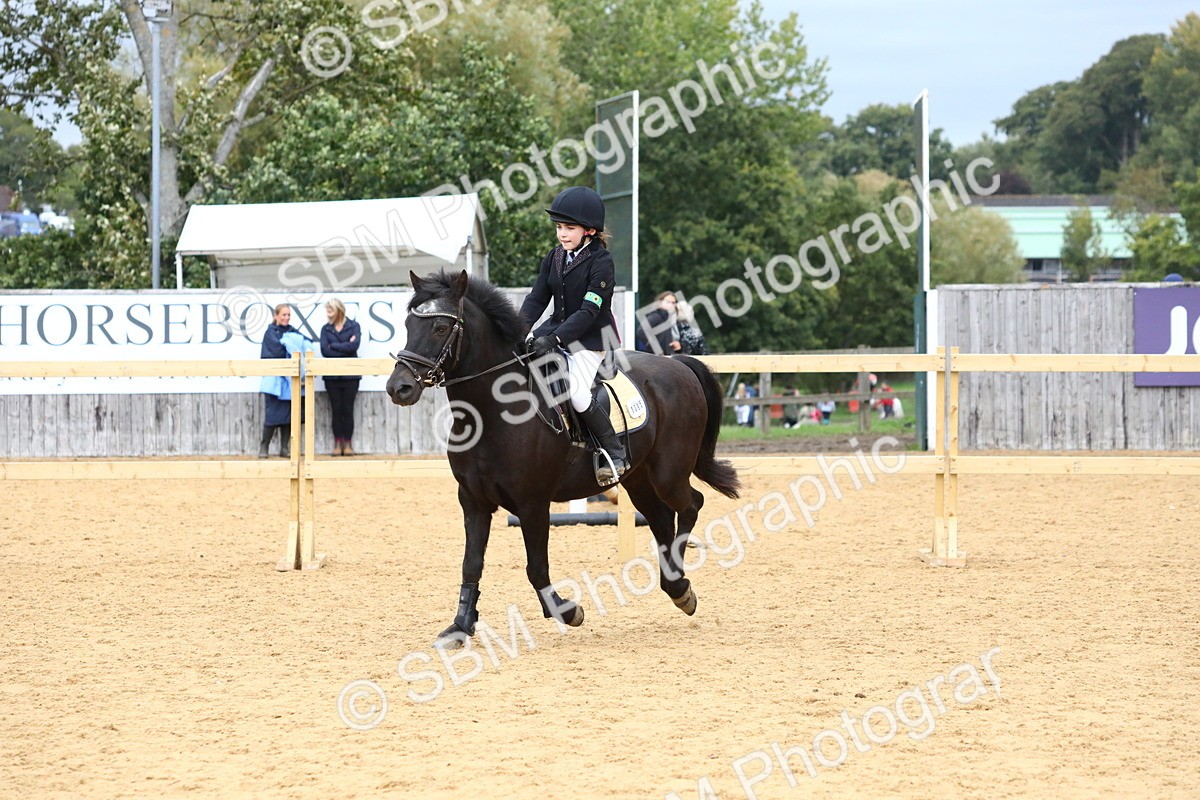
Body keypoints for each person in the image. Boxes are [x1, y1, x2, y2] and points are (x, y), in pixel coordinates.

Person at [520, 186, 628, 482]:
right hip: (557, 329)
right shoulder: (554, 257)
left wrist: (554, 339)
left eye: (569, 228)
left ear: (589, 231)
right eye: (559, 227)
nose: (562, 234)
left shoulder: (601, 262)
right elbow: (536, 300)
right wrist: (516, 331)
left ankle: (614, 452)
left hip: (591, 340)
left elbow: (588, 312)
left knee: (577, 393)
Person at [259, 304, 315, 458]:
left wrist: (293, 343)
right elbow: (275, 350)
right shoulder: (270, 333)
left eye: (288, 315)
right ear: (276, 315)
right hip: (275, 381)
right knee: (272, 415)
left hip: (291, 382)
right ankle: (264, 446)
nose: (286, 317)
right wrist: (289, 343)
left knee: (289, 415)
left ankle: (284, 448)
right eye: (283, 314)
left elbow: (305, 342)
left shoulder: (292, 331)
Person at [320, 298, 362, 456]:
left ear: (339, 310)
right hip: (332, 377)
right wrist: (346, 345)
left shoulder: (353, 326)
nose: (328, 313)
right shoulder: (326, 329)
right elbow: (325, 350)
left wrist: (334, 346)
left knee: (348, 410)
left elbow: (354, 346)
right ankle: (338, 443)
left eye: (331, 310)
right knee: (336, 410)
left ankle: (348, 444)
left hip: (351, 376)